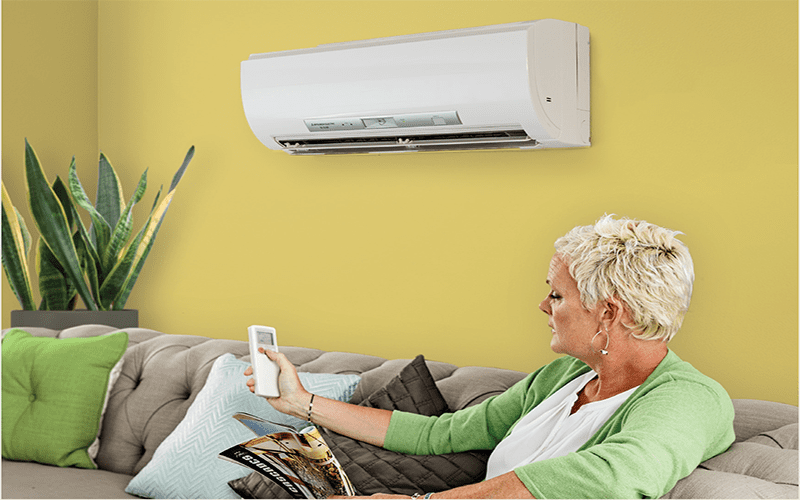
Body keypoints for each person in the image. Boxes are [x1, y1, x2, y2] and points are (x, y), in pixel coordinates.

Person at [245, 215, 735, 498]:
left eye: (558, 297)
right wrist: (301, 403)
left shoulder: (690, 399)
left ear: (609, 314)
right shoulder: (564, 376)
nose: (544, 306)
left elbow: (617, 474)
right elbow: (442, 434)